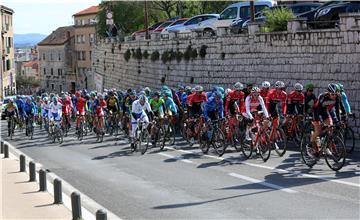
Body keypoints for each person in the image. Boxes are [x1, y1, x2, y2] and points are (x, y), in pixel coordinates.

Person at [310, 83, 346, 158]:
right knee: (318, 130)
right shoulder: (323, 97)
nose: (334, 96)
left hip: (325, 111)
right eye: (332, 94)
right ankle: (311, 142)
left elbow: (337, 110)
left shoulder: (337, 97)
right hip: (316, 111)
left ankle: (326, 146)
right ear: (328, 93)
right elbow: (318, 109)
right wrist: (321, 122)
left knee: (331, 127)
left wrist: (338, 122)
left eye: (335, 94)